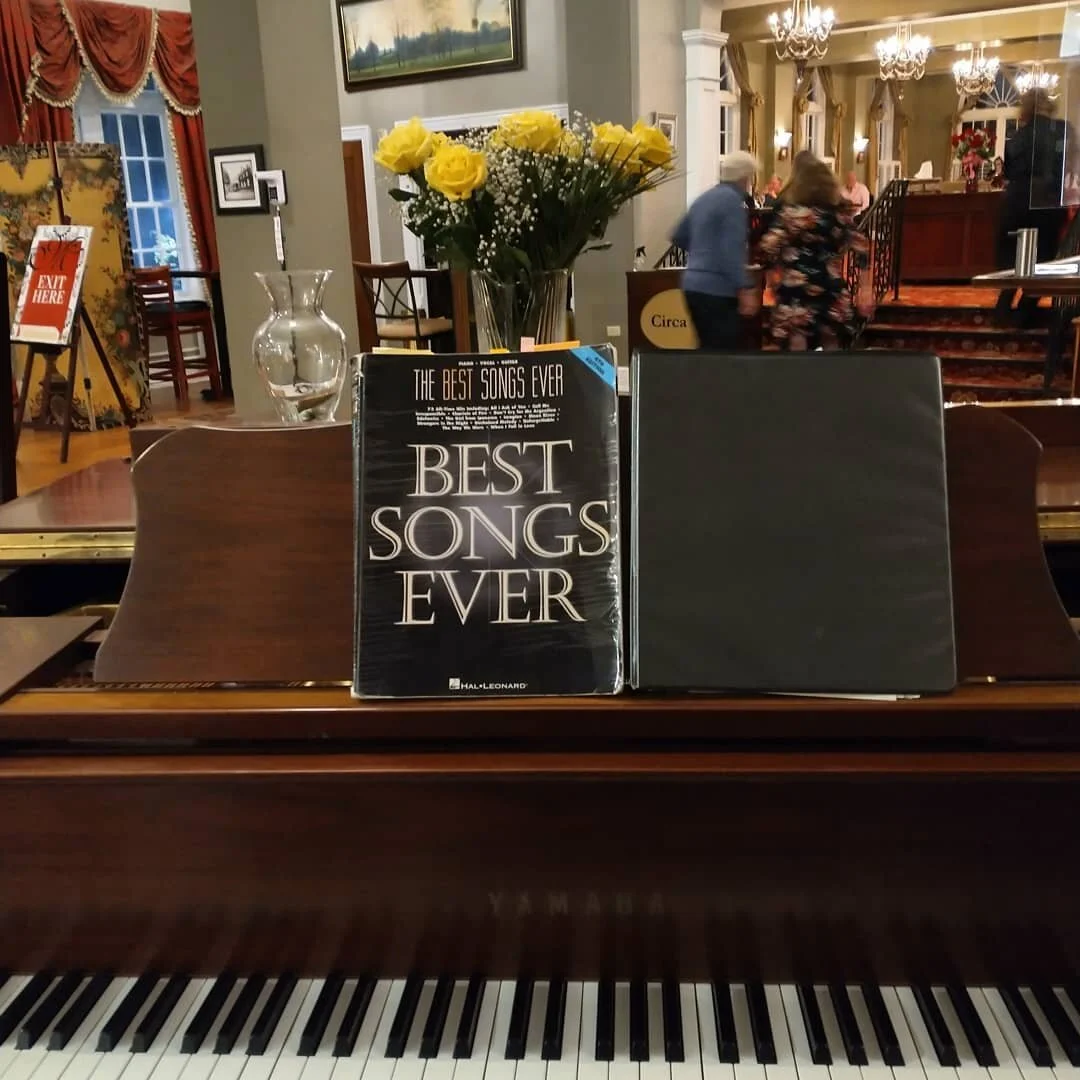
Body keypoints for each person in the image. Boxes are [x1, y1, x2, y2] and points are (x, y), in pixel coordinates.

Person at [758, 156, 873, 351]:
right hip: (830, 287)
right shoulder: (838, 214)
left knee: (797, 341)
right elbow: (863, 247)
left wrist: (773, 276)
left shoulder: (793, 215)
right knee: (832, 342)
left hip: (796, 288)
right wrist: (866, 289)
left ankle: (801, 380)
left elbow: (767, 248)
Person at [995, 89, 1069, 327]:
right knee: (1042, 261)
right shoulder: (1062, 131)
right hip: (1047, 206)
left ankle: (1002, 311)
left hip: (1016, 205)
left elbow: (1007, 173)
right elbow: (1067, 169)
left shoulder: (1018, 137)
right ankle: (1024, 314)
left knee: (1014, 261)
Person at [671, 151, 759, 351]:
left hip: (692, 285)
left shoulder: (704, 198)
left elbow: (679, 235)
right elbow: (731, 250)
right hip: (717, 289)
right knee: (723, 355)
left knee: (706, 349)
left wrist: (702, 253)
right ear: (744, 178)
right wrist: (746, 286)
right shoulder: (732, 203)